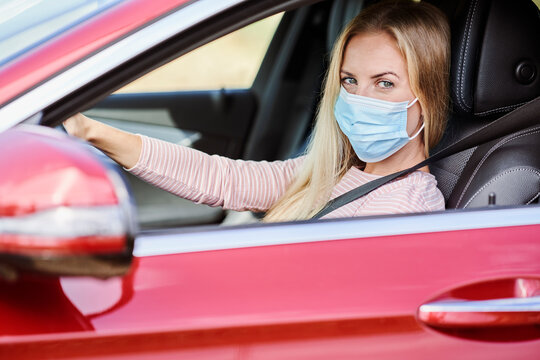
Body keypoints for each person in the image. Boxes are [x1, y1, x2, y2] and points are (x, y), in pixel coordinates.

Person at [64, 0, 449, 222]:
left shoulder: (406, 208)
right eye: (349, 81)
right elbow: (222, 178)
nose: (359, 98)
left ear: (427, 97)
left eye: (384, 84)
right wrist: (90, 132)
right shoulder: (330, 176)